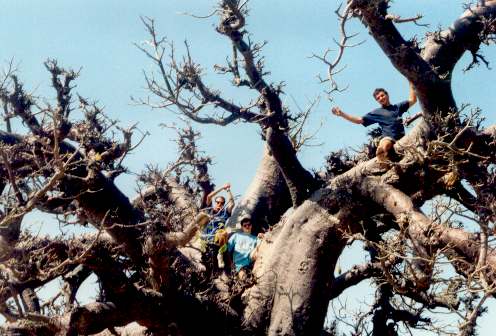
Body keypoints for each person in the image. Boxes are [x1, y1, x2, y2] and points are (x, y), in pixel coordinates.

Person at [331, 82, 417, 161]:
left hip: (402, 140)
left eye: (382, 95)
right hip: (388, 138)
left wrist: (411, 81)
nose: (381, 98)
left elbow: (413, 99)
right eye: (378, 98)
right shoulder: (377, 112)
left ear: (387, 95)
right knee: (386, 143)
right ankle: (381, 154)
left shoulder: (398, 107)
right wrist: (342, 114)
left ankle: (385, 156)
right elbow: (359, 120)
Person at [200, 183, 234, 270]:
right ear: (215, 202)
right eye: (218, 202)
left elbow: (232, 203)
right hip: (208, 238)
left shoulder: (225, 212)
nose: (219, 204)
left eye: (222, 203)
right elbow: (208, 197)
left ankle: (221, 255)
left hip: (220, 239)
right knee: (209, 263)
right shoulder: (210, 210)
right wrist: (222, 187)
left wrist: (228, 190)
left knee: (223, 233)